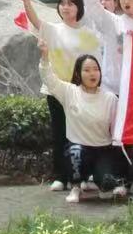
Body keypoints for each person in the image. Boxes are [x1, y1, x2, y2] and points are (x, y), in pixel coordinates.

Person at [17, 0, 103, 194]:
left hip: (79, 92)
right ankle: (60, 177)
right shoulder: (52, 30)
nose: (66, 7)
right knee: (60, 134)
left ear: (79, 8)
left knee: (82, 135)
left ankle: (82, 176)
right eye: (63, 4)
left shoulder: (88, 35)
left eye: (71, 4)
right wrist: (26, 0)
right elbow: (34, 20)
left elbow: (95, 64)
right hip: (56, 90)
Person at [35, 39, 124, 203]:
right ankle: (75, 187)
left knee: (107, 184)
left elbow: (117, 131)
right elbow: (48, 78)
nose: (92, 74)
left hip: (102, 150)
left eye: (96, 69)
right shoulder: (69, 92)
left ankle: (102, 183)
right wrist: (45, 56)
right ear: (78, 74)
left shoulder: (110, 98)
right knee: (74, 152)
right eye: (87, 70)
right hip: (78, 149)